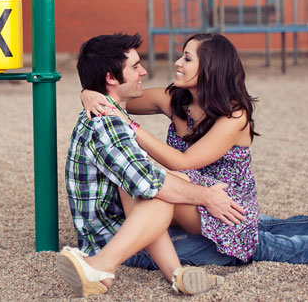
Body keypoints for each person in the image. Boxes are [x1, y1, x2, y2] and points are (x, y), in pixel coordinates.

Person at [81, 32, 308, 268]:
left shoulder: (234, 115)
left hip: (226, 205)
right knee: (268, 226)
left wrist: (132, 128)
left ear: (210, 67)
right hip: (199, 198)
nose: (177, 63)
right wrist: (87, 93)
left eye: (187, 57)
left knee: (277, 246)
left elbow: (182, 160)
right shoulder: (174, 100)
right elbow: (119, 97)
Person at [58, 33, 245, 298]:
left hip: (141, 222)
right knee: (256, 242)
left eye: (187, 58)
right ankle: (101, 266)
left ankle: (176, 274)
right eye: (135, 66)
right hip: (119, 238)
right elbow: (156, 182)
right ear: (111, 78)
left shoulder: (113, 112)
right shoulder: (107, 123)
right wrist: (206, 196)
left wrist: (89, 90)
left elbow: (154, 178)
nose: (144, 71)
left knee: (156, 185)